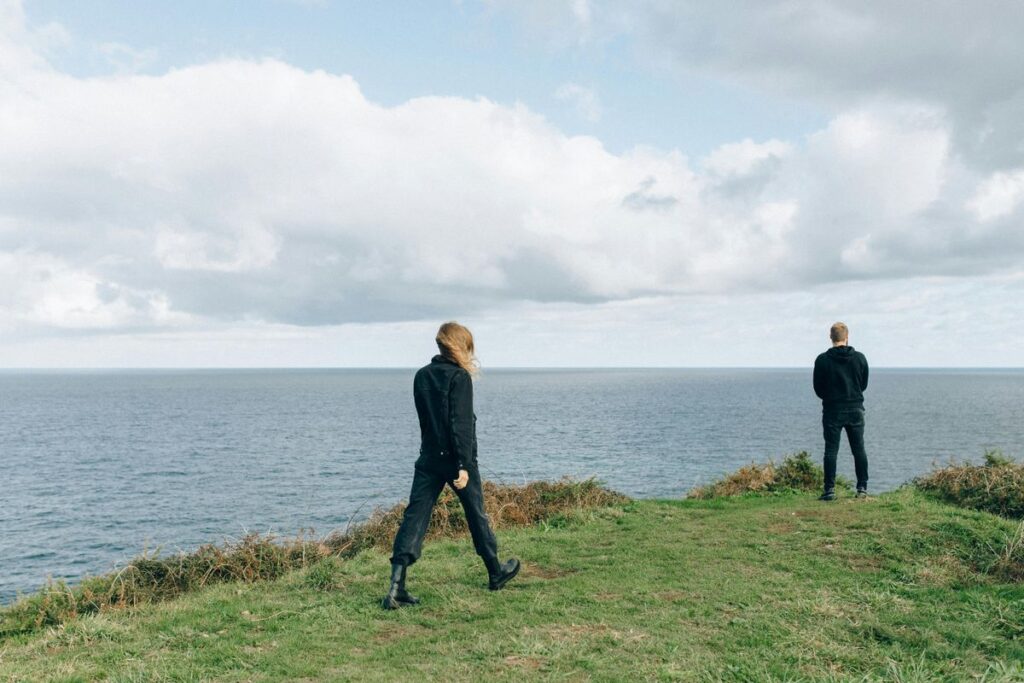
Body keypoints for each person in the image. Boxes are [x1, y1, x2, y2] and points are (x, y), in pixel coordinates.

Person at [382, 321, 520, 610]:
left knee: (414, 517)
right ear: (460, 346)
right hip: (457, 461)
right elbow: (460, 425)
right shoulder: (459, 378)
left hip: (429, 458)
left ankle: (396, 588)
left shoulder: (421, 376)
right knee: (476, 514)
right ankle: (496, 572)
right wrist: (463, 466)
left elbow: (427, 423)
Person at [813, 322, 870, 501]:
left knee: (831, 451)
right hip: (855, 409)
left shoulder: (822, 360)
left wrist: (831, 397)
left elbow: (818, 388)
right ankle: (862, 488)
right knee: (858, 449)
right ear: (847, 337)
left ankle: (829, 490)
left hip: (832, 410)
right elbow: (864, 384)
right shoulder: (860, 358)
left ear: (831, 337)